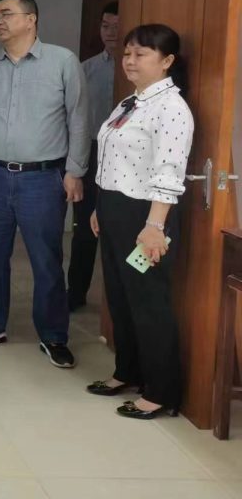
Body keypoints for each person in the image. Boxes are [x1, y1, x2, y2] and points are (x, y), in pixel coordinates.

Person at [0, 0, 89, 369]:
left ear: (31, 20)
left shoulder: (62, 62)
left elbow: (79, 119)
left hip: (43, 178)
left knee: (46, 258)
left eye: (7, 14)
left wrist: (75, 171)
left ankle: (53, 334)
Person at [87, 24, 193, 420]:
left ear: (167, 61)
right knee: (120, 297)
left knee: (149, 303)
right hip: (115, 208)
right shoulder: (131, 102)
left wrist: (155, 227)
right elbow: (114, 160)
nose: (130, 61)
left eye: (141, 54)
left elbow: (168, 172)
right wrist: (100, 208)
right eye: (128, 53)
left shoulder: (171, 109)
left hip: (145, 216)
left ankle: (161, 391)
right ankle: (127, 371)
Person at [67, 1, 119, 310]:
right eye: (105, 26)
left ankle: (118, 302)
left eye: (117, 26)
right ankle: (75, 293)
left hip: (128, 158)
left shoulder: (140, 70)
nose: (110, 32)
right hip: (93, 151)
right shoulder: (86, 69)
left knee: (121, 229)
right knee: (85, 229)